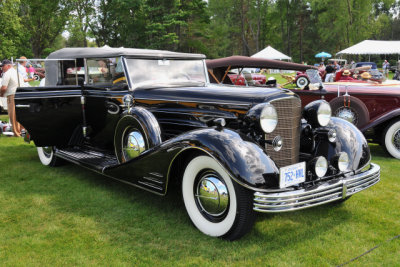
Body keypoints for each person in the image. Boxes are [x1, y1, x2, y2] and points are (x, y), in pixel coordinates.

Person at [0, 59, 25, 137]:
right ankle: (22, 130)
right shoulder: (17, 72)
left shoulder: (7, 73)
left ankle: (16, 132)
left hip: (12, 95)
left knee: (13, 115)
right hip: (20, 94)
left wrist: (0, 93)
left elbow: (4, 87)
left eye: (3, 66)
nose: (2, 68)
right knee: (20, 114)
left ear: (8, 66)